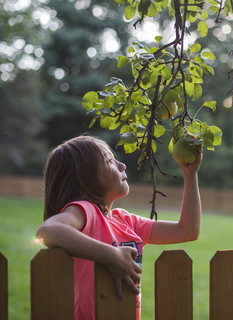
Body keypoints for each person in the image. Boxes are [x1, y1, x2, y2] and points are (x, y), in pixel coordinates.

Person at [35, 134, 202, 320]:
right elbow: (48, 231)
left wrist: (190, 174)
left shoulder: (126, 221)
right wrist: (111, 255)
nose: (122, 165)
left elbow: (187, 230)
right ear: (84, 176)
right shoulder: (86, 212)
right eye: (109, 161)